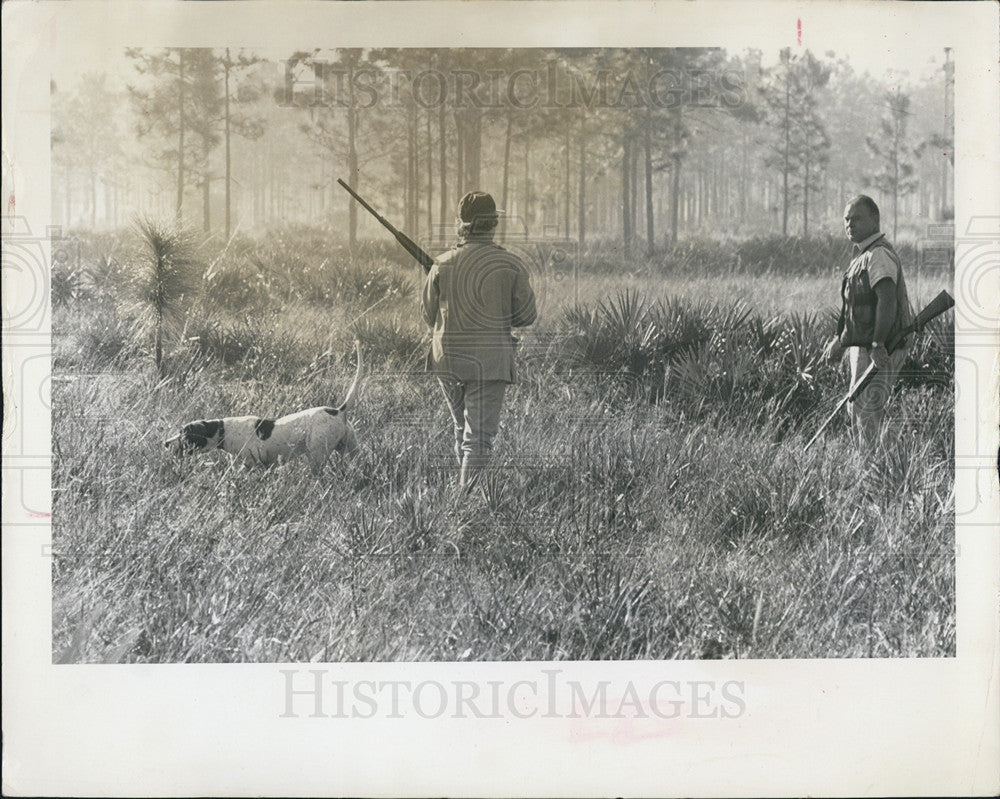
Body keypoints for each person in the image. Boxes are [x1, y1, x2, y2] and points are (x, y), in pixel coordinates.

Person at [421, 191, 537, 488]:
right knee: (479, 439)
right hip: (490, 362)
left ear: (461, 223)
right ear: (494, 223)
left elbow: (428, 315)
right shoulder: (510, 264)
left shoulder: (442, 264)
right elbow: (526, 316)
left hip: (447, 360)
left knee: (462, 429)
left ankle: (460, 499)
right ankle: (465, 507)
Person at [823, 194, 913, 450]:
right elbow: (855, 310)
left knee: (866, 414)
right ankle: (865, 469)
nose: (850, 224)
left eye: (857, 218)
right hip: (865, 347)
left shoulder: (878, 255)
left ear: (875, 220)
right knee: (858, 409)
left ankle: (873, 475)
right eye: (847, 219)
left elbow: (887, 301)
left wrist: (877, 343)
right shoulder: (862, 255)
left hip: (880, 347)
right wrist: (840, 342)